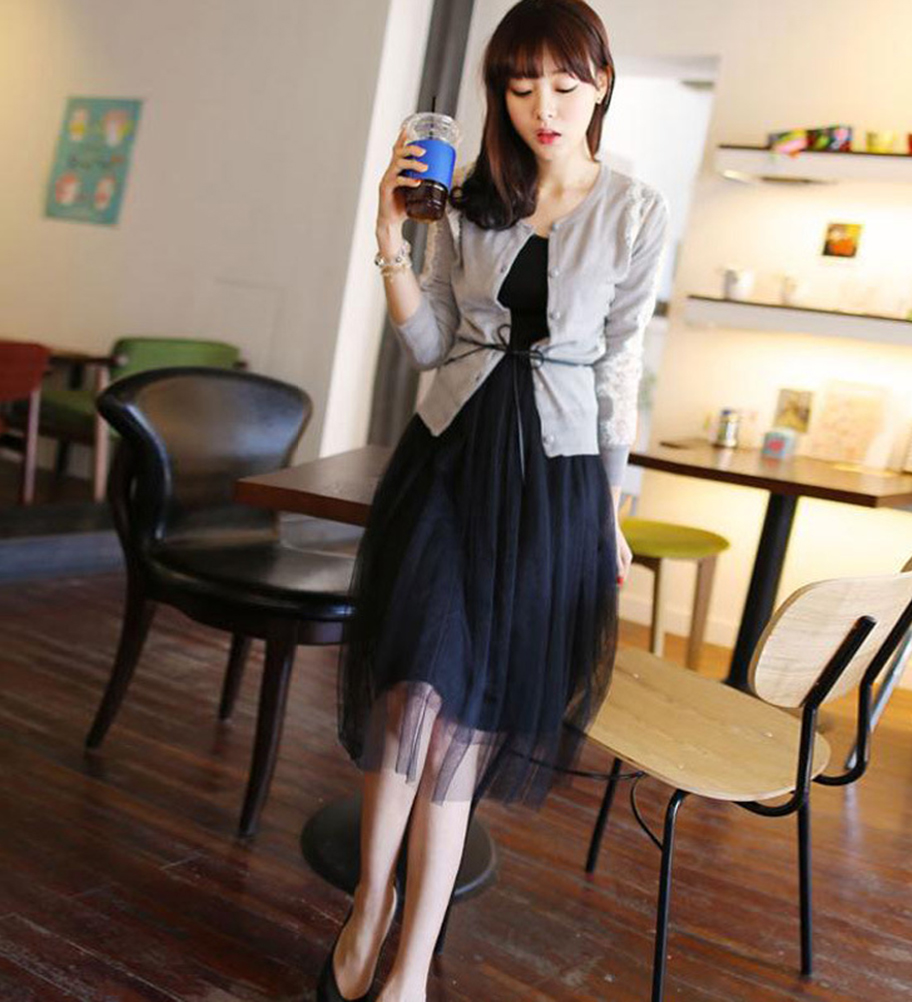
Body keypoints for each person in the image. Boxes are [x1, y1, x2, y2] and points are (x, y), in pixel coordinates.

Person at [318, 2, 669, 999]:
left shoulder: (634, 211)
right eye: (520, 87)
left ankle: (410, 965)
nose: (542, 108)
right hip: (447, 457)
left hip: (551, 481)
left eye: (562, 85)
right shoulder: (471, 194)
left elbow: (618, 370)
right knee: (411, 693)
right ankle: (370, 902)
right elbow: (431, 342)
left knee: (462, 722)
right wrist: (389, 235)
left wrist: (607, 513)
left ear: (601, 84)